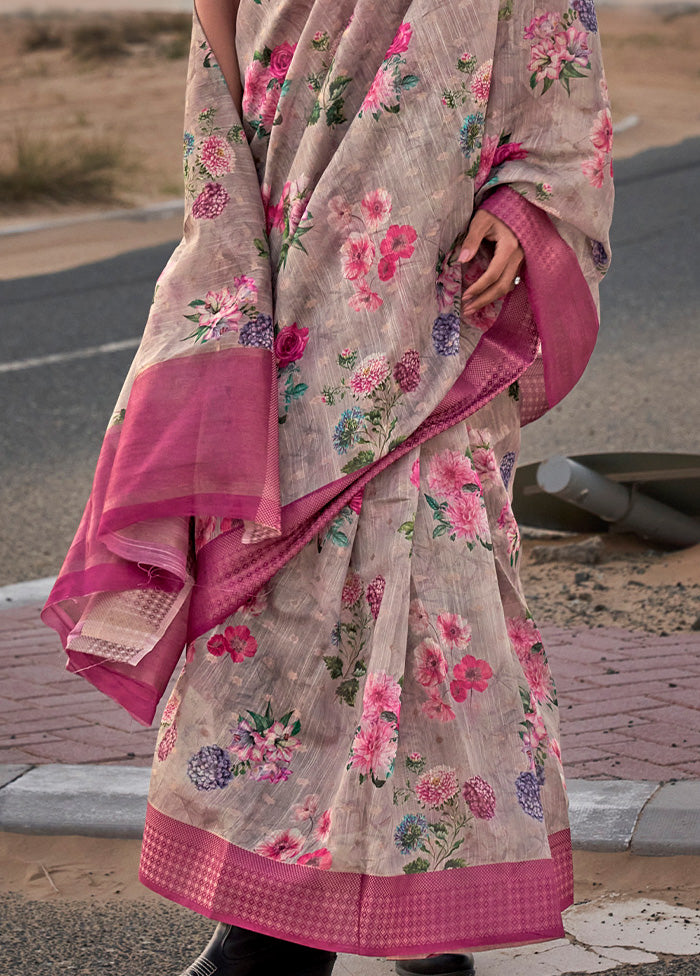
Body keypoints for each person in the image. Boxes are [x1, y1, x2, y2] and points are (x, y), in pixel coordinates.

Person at [42, 0, 614, 973]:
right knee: (285, 636)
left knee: (435, 637)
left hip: (436, 336)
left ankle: (426, 936)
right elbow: (223, 118)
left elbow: (561, 94)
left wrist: (525, 207)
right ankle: (266, 934)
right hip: (294, 337)